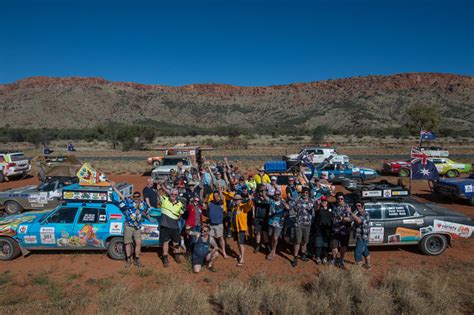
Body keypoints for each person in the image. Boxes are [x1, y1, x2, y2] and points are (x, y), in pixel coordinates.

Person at [117, 190, 149, 268]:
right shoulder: (129, 202)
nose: (136, 198)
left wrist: (149, 218)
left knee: (138, 243)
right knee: (127, 243)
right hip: (128, 226)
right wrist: (114, 188)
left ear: (140, 197)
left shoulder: (143, 204)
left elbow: (147, 211)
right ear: (133, 197)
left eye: (137, 197)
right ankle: (128, 259)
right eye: (134, 197)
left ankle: (137, 259)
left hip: (137, 227)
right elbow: (122, 196)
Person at [157, 186, 185, 267]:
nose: (173, 195)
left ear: (177, 195)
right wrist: (159, 189)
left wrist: (174, 218)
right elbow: (158, 194)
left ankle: (176, 255)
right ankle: (165, 258)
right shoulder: (164, 199)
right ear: (170, 194)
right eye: (172, 193)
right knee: (166, 242)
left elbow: (180, 213)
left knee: (175, 242)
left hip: (174, 227)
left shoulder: (180, 204)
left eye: (175, 194)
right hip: (165, 226)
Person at [291, 186, 317, 267]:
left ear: (308, 193)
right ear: (301, 193)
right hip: (298, 224)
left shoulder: (312, 201)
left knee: (305, 240)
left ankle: (303, 254)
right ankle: (295, 258)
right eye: (303, 192)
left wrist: (318, 204)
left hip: (307, 224)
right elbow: (293, 209)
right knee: (297, 241)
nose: (305, 194)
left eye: (306, 192)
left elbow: (316, 208)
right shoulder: (297, 201)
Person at [330, 192, 353, 269]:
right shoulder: (334, 206)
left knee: (343, 246)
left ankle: (341, 259)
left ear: (343, 199)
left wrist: (343, 219)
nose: (340, 200)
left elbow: (350, 219)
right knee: (334, 246)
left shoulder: (347, 207)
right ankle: (334, 259)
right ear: (336, 199)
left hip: (344, 231)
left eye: (341, 198)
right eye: (338, 198)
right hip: (335, 230)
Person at [230, 194, 253, 266]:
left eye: (238, 199)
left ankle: (242, 259)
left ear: (241, 200)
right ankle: (240, 255)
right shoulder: (233, 208)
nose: (236, 201)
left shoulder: (243, 206)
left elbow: (249, 206)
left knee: (241, 244)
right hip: (235, 228)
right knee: (238, 243)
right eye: (235, 200)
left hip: (241, 229)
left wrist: (250, 199)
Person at [267, 191, 290, 260]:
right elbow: (265, 198)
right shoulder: (271, 201)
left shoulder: (283, 202)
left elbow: (288, 208)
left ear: (280, 195)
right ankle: (273, 248)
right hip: (271, 221)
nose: (276, 195)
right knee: (271, 236)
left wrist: (283, 201)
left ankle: (273, 251)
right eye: (275, 194)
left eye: (278, 194)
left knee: (275, 237)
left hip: (279, 222)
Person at [350, 201, 371, 270]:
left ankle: (359, 269)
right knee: (365, 250)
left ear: (363, 206)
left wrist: (350, 213)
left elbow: (359, 221)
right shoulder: (357, 213)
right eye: (356, 206)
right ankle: (368, 265)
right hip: (358, 235)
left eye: (359, 206)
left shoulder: (366, 214)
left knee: (357, 252)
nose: (358, 207)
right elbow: (351, 219)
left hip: (363, 236)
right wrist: (342, 218)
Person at [207, 190, 228, 258]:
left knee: (221, 238)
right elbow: (208, 211)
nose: (215, 197)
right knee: (210, 238)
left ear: (219, 196)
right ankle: (213, 250)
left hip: (219, 224)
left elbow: (222, 199)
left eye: (217, 195)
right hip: (211, 224)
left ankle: (224, 252)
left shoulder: (221, 203)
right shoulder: (210, 203)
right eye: (214, 196)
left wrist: (220, 191)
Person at [313, 195, 332, 264]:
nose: (324, 202)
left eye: (325, 201)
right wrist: (318, 204)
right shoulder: (319, 208)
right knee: (318, 243)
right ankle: (318, 257)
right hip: (319, 228)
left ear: (327, 201)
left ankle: (324, 257)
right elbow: (316, 210)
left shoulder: (330, 208)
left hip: (327, 229)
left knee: (325, 244)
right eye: (322, 201)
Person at [253, 187, 270, 253]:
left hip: (265, 218)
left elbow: (268, 202)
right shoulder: (256, 199)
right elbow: (254, 206)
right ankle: (257, 246)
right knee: (258, 233)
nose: (262, 192)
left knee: (265, 233)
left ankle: (267, 246)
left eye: (264, 191)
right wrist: (253, 213)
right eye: (261, 191)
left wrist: (264, 196)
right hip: (257, 218)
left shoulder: (268, 199)